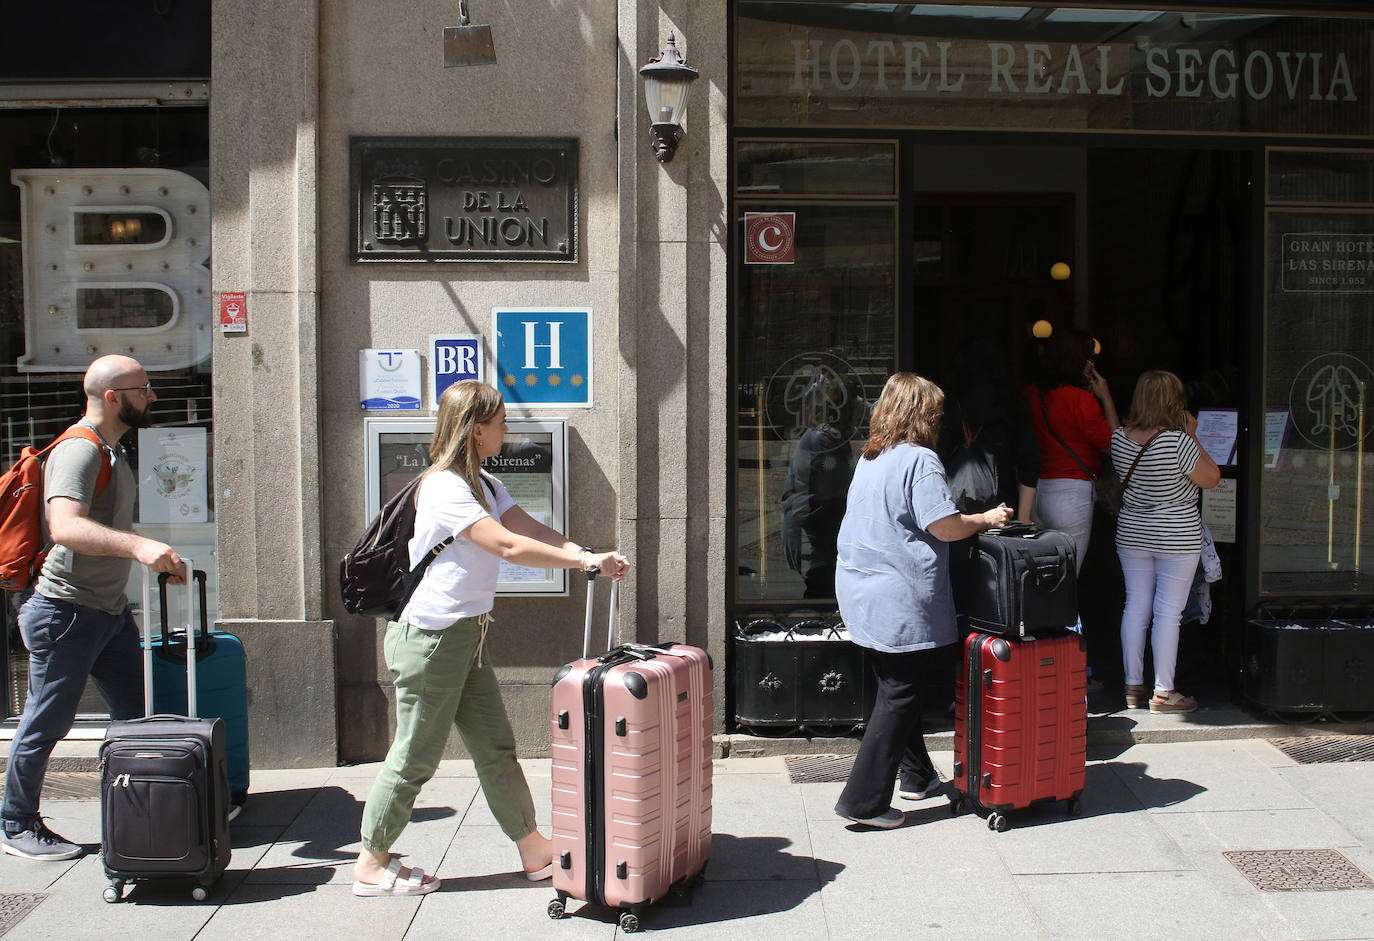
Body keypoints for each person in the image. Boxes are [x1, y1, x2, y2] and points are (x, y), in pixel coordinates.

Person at [353, 380, 630, 896]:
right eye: (501, 422)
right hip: (432, 641)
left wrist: (586, 554)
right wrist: (582, 561)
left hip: (465, 637)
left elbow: (524, 525)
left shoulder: (482, 482)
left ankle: (534, 850)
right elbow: (505, 545)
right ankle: (371, 861)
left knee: (495, 747)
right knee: (415, 755)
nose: (509, 429)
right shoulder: (443, 487)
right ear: (476, 430)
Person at [2, 356, 184, 861]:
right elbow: (65, 527)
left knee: (135, 716)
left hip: (105, 609)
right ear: (112, 396)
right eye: (143, 388)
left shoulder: (109, 447)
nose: (152, 397)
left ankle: (150, 809)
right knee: (47, 719)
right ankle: (16, 823)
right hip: (65, 611)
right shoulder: (81, 450)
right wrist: (139, 548)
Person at [831, 373, 1013, 829]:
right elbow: (944, 526)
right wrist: (986, 518)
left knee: (895, 684)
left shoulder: (871, 457)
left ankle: (916, 777)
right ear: (923, 416)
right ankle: (864, 802)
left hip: (861, 588)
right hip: (897, 593)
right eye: (934, 412)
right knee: (900, 691)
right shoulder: (921, 460)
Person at [1111, 370, 1219, 714]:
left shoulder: (1119, 438)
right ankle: (1163, 691)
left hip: (1132, 532)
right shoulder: (1178, 442)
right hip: (1176, 534)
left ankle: (1132, 685)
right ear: (1174, 402)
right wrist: (1194, 435)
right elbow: (1212, 478)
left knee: (1135, 606)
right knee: (1168, 614)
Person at [938, 340, 1041, 611]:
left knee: (957, 586)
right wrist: (1025, 518)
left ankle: (962, 644)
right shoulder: (1012, 403)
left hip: (956, 509)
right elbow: (1031, 460)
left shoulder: (951, 403)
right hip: (1002, 508)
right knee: (998, 588)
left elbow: (938, 456)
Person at [1026, 328, 1120, 574]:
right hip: (1071, 493)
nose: (1091, 363)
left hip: (1036, 491)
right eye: (1087, 358)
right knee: (1066, 580)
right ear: (1076, 360)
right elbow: (1117, 447)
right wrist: (1106, 397)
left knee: (1040, 576)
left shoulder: (1032, 395)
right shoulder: (1081, 400)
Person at [780, 365, 858, 598]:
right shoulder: (824, 438)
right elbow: (834, 492)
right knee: (821, 595)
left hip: (810, 534)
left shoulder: (819, 436)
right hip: (818, 540)